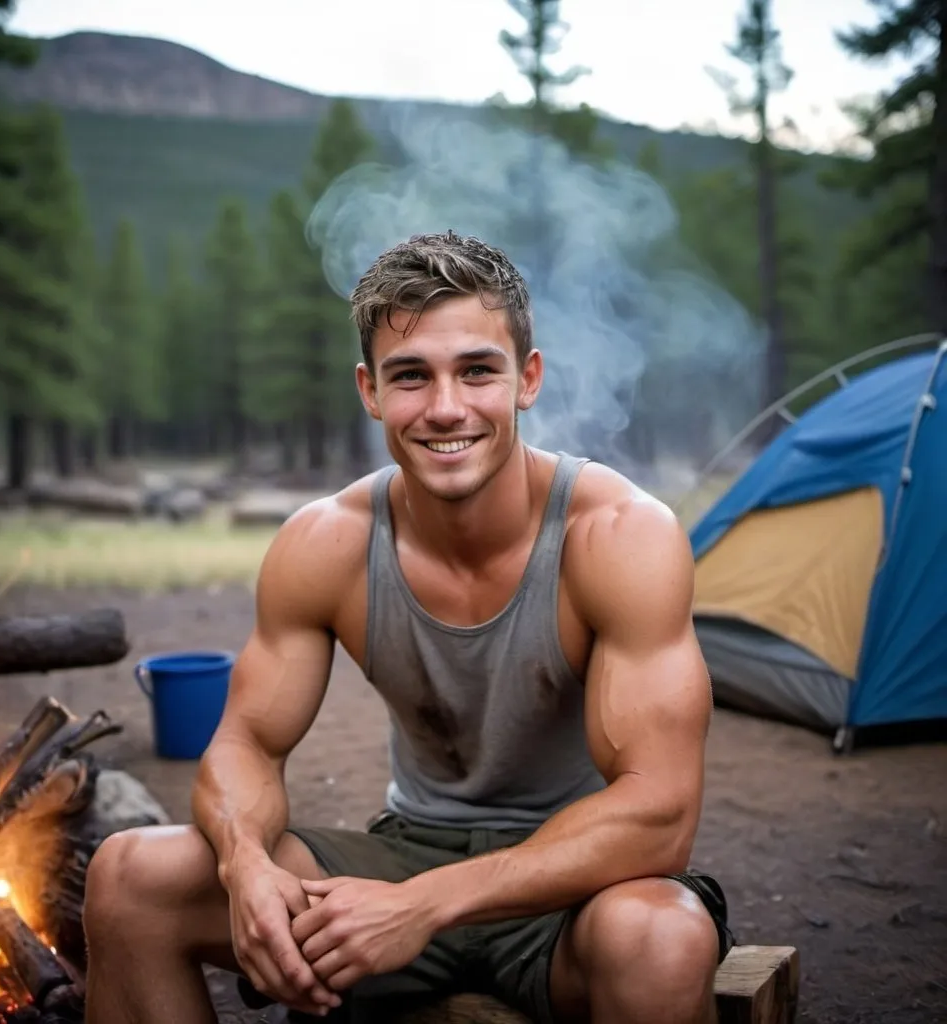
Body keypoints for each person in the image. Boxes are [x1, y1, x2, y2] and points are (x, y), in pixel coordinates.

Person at [83, 230, 734, 1024]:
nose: (446, 407)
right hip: (406, 851)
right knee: (129, 877)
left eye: (477, 371)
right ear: (370, 391)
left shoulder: (621, 535)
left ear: (527, 379)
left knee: (664, 937)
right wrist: (245, 867)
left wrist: (425, 906)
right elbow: (246, 742)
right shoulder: (325, 542)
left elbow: (659, 812)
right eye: (411, 377)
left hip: (578, 887)